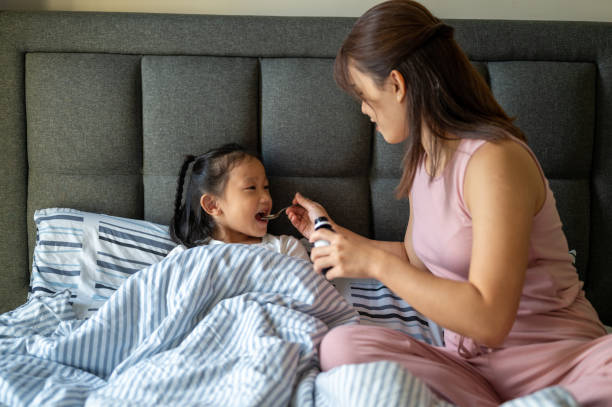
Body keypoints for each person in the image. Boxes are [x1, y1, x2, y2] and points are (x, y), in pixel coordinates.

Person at [286, 1, 612, 406]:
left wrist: (374, 263)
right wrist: (335, 237)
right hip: (473, 373)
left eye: (364, 95)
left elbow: (490, 320)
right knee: (342, 347)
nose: (364, 110)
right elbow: (415, 258)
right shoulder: (424, 160)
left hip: (565, 364)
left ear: (397, 84)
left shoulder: (494, 160)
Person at [167, 143, 309, 262]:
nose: (266, 198)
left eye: (266, 187)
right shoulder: (186, 256)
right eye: (251, 188)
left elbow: (313, 292)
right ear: (213, 205)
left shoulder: (285, 248)